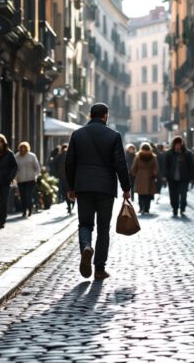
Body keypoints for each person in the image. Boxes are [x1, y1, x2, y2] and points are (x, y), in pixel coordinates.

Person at [65, 103, 131, 280]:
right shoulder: (114, 136)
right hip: (105, 189)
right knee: (103, 229)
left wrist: (71, 187)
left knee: (85, 224)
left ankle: (86, 246)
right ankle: (99, 269)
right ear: (105, 116)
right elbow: (120, 164)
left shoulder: (77, 135)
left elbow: (69, 163)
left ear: (90, 115)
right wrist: (126, 188)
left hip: (84, 187)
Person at [164, 136, 194, 216]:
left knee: (183, 195)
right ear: (174, 145)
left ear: (182, 145)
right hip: (172, 178)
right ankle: (175, 208)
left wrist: (192, 177)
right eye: (176, 144)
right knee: (173, 195)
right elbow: (166, 165)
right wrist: (165, 175)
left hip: (184, 178)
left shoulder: (187, 153)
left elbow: (191, 166)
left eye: (179, 144)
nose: (178, 146)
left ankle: (182, 208)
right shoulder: (169, 153)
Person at [15, 141, 41, 218]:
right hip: (20, 180)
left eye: (24, 148)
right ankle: (24, 211)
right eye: (21, 148)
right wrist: (15, 178)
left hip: (30, 179)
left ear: (27, 149)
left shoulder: (32, 156)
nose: (23, 150)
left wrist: (35, 176)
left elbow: (37, 167)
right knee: (23, 196)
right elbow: (15, 169)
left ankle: (29, 209)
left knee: (28, 195)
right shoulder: (16, 157)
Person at [131, 143, 159, 214]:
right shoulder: (152, 156)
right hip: (148, 176)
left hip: (140, 176)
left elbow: (134, 167)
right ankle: (146, 208)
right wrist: (154, 174)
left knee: (141, 194)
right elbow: (155, 167)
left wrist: (134, 174)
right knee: (148, 194)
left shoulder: (138, 156)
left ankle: (142, 208)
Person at [53, 143, 74, 213]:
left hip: (63, 177)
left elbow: (53, 165)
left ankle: (69, 204)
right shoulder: (72, 155)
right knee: (71, 191)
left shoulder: (59, 156)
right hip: (71, 177)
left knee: (65, 192)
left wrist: (56, 174)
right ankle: (72, 202)